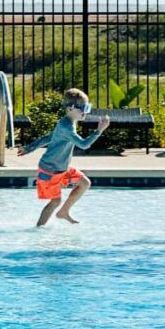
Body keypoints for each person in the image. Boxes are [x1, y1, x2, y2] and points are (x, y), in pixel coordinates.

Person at [17, 88, 109, 226]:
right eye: (84, 108)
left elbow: (49, 137)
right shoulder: (67, 127)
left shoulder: (68, 122)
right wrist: (99, 131)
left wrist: (29, 148)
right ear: (71, 108)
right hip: (50, 171)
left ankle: (63, 212)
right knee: (55, 201)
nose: (86, 111)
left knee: (84, 183)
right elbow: (84, 145)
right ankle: (38, 229)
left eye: (88, 107)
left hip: (62, 168)